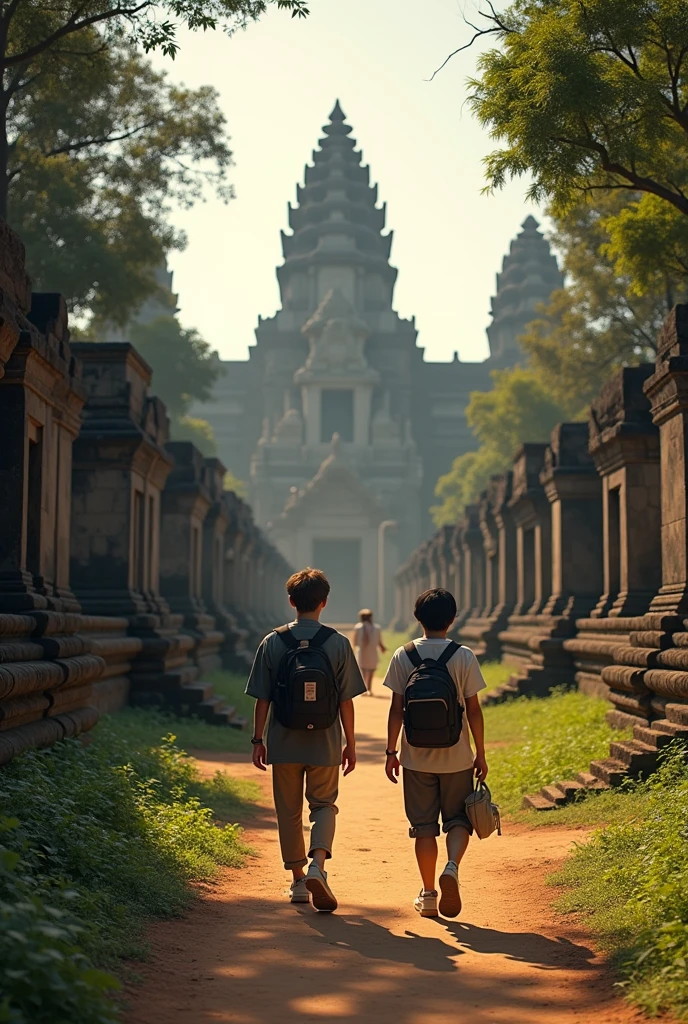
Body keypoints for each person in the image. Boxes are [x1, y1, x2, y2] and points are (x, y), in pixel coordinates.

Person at [246, 566, 366, 912]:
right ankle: (318, 866)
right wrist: (351, 745)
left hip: (283, 741)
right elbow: (346, 700)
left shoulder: (272, 642)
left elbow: (262, 699)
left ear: (291, 601)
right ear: (324, 602)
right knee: (324, 805)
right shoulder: (338, 643)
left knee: (288, 811)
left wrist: (258, 740)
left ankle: (298, 881)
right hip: (325, 741)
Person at [383, 588, 488, 919]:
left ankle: (428, 894)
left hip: (415, 757)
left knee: (424, 827)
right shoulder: (463, 655)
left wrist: (391, 751)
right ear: (452, 619)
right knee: (458, 819)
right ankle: (452, 866)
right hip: (457, 756)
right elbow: (473, 710)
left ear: (417, 619)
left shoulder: (403, 655)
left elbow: (396, 709)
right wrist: (480, 753)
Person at [352, 608, 386, 695]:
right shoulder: (376, 628)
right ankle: (369, 688)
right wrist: (382, 647)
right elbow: (379, 641)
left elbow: (355, 640)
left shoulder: (358, 627)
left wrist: (354, 647)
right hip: (371, 652)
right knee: (370, 671)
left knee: (364, 670)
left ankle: (365, 689)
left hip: (363, 652)